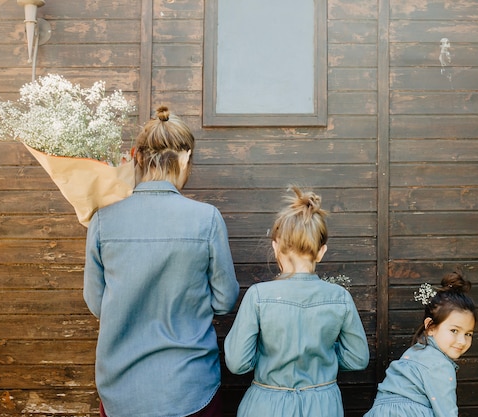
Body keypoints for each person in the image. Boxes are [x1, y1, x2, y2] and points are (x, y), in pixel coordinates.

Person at [83, 106, 240, 417]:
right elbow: (224, 300)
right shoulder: (206, 219)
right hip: (190, 389)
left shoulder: (103, 221)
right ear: (185, 158)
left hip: (121, 393)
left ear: (137, 156)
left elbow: (96, 303)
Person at [224, 185, 369, 417]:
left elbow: (237, 362)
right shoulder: (340, 298)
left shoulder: (258, 295)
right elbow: (358, 358)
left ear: (276, 247)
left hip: (266, 405)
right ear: (321, 252)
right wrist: (323, 356)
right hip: (323, 405)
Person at [364, 272, 476, 417]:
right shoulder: (439, 365)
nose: (462, 341)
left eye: (468, 334)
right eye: (454, 330)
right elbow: (447, 412)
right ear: (430, 327)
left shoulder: (414, 352)